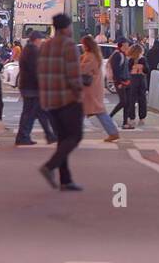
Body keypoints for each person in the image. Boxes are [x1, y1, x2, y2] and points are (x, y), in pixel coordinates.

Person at [36, 14, 85, 191]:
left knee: (63, 139)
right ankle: (50, 166)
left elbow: (40, 71)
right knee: (75, 136)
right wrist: (79, 92)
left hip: (50, 100)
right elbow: (73, 74)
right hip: (67, 99)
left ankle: (65, 179)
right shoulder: (69, 45)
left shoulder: (45, 45)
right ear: (66, 28)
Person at [14, 32, 57, 146]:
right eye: (41, 40)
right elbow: (37, 70)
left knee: (39, 112)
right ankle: (23, 136)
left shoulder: (28, 50)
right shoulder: (33, 51)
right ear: (37, 40)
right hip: (32, 88)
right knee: (30, 113)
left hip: (29, 86)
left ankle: (49, 135)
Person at [80, 35, 120, 142]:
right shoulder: (95, 55)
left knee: (92, 111)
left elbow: (83, 69)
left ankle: (72, 134)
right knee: (97, 111)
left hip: (90, 89)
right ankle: (112, 132)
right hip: (93, 88)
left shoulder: (90, 56)